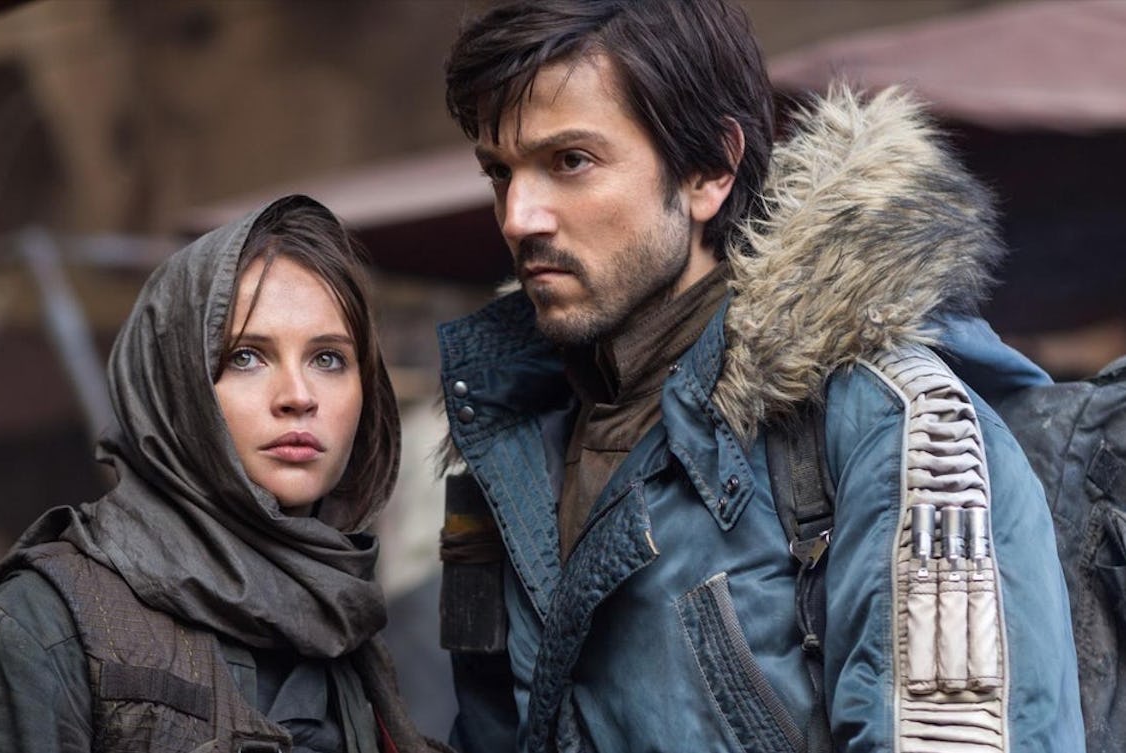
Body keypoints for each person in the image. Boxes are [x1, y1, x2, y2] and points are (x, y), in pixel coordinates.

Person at [434, 2, 1084, 752]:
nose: (518, 217)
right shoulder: (506, 440)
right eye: (500, 171)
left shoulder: (892, 428)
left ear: (710, 168)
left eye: (569, 161)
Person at [0, 195, 450, 753]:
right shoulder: (42, 628)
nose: (299, 396)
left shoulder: (349, 633)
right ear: (174, 387)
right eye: (246, 356)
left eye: (328, 359)